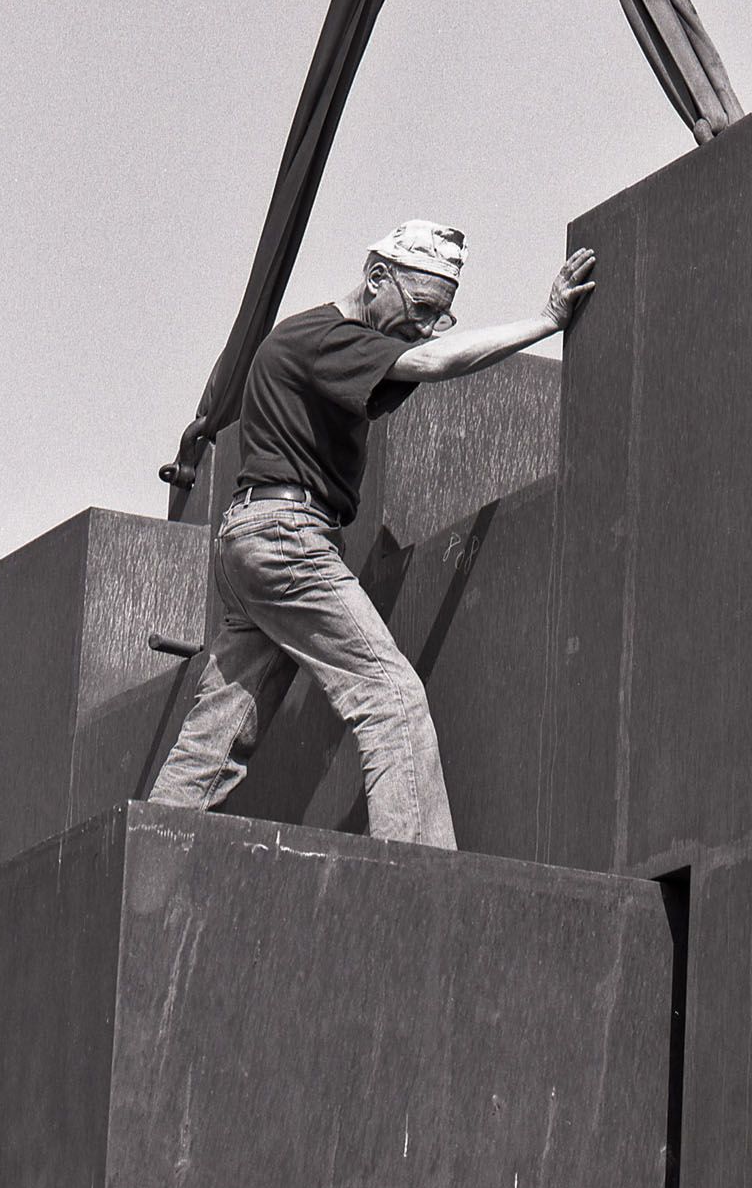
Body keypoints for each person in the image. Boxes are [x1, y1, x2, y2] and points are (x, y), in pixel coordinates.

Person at [149, 220, 596, 848]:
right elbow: (435, 363)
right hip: (287, 538)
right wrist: (546, 321)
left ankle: (152, 845)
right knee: (391, 697)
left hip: (250, 542)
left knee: (220, 725)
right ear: (378, 278)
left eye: (440, 316)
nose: (426, 327)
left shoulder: (315, 345)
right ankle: (415, 872)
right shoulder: (330, 337)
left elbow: (412, 364)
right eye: (421, 308)